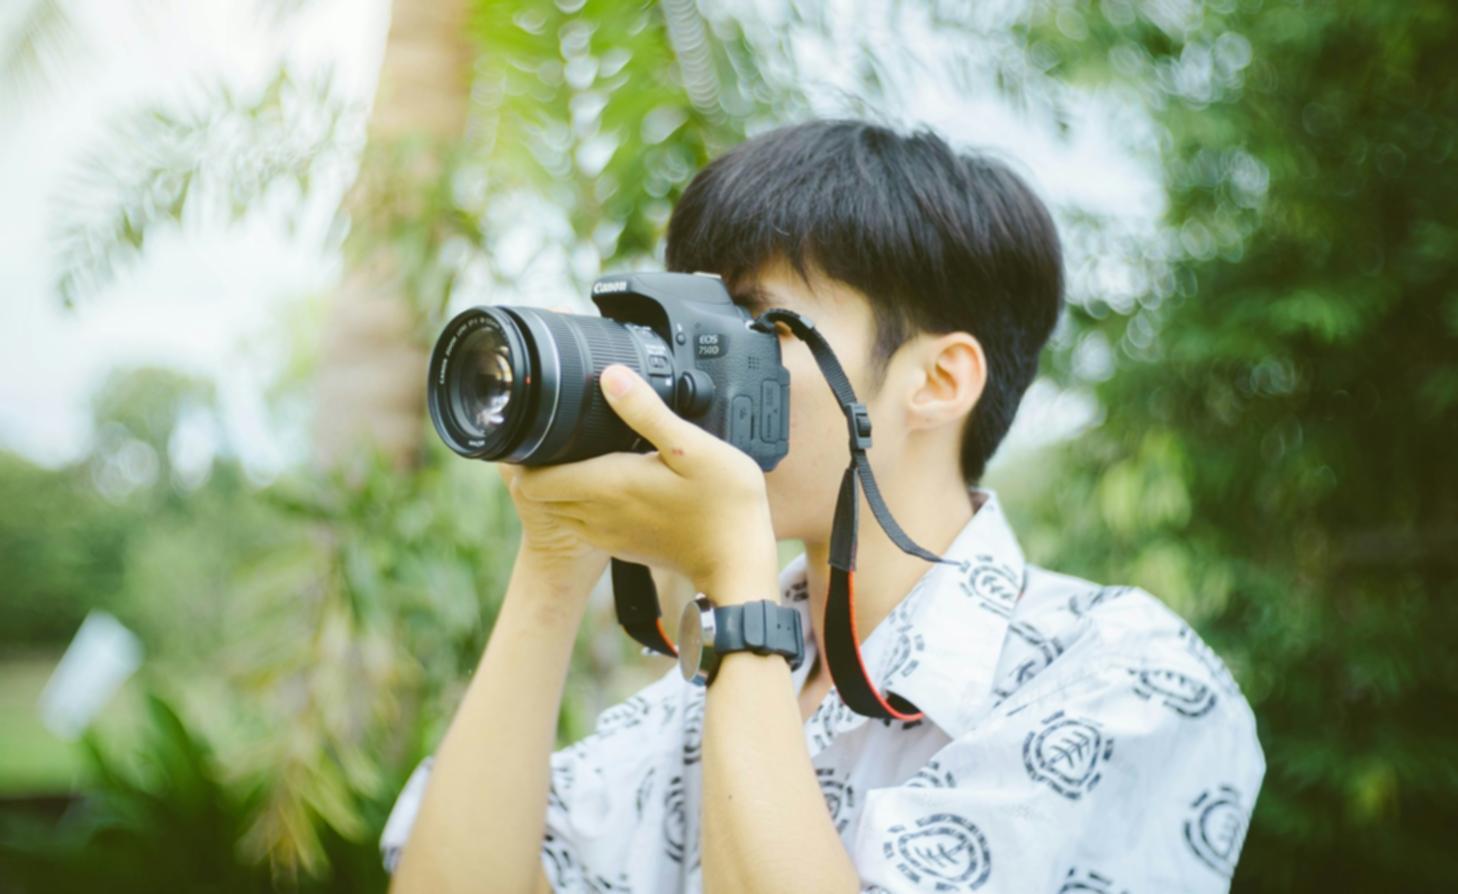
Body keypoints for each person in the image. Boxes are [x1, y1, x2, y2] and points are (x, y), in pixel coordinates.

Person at [379, 118, 1265, 893]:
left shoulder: (1122, 681)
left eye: (755, 325)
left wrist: (737, 590)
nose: (690, 365)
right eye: (688, 323)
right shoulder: (698, 700)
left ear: (938, 381)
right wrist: (554, 558)